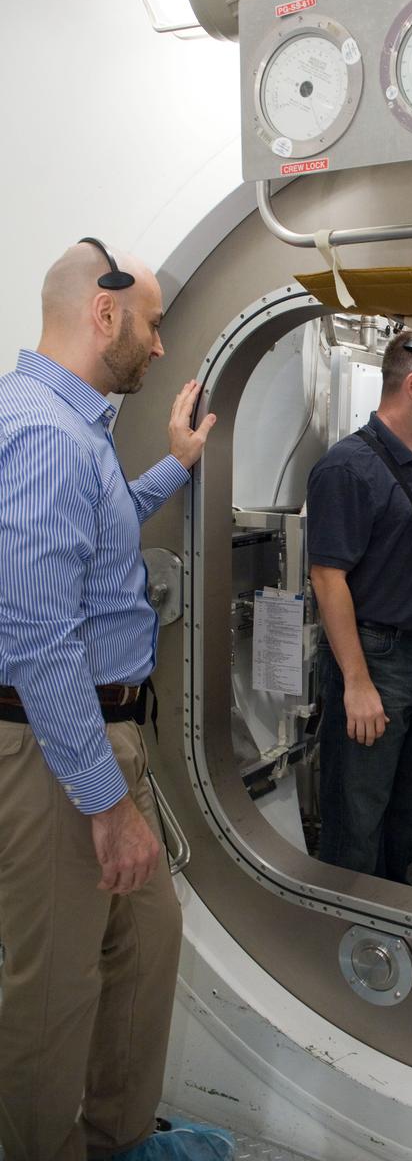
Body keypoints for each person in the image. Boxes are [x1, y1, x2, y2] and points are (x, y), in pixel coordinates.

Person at [0, 239, 231, 1161]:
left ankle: (117, 1142)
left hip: (98, 739)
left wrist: (172, 465)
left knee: (143, 951)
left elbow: (94, 538)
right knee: (49, 996)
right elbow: (35, 640)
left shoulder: (71, 429)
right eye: (154, 322)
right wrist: (104, 802)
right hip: (59, 751)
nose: (161, 345)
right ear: (105, 316)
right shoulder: (48, 436)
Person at [307, 330, 412, 883]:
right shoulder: (347, 467)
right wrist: (356, 682)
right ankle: (344, 931)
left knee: (408, 805)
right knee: (357, 814)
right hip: (376, 658)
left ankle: (390, 914)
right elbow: (328, 578)